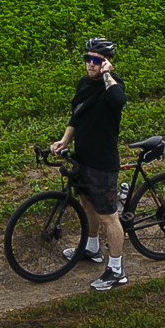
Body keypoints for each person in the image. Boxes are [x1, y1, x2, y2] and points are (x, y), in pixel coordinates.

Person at [48, 36, 129, 291]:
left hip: (102, 162)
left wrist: (107, 75)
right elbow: (77, 114)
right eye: (88, 59)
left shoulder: (113, 86)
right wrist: (64, 140)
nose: (90, 65)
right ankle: (92, 248)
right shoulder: (84, 83)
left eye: (97, 61)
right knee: (87, 204)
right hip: (82, 157)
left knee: (109, 218)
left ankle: (117, 270)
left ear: (107, 63)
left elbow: (118, 101)